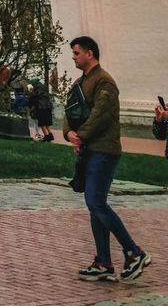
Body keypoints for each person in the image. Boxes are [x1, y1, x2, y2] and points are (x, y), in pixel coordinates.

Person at [64, 36, 151, 283]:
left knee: (96, 201)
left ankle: (135, 252)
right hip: (89, 150)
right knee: (95, 206)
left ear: (90, 54)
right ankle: (104, 262)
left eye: (76, 52)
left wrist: (80, 135)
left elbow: (100, 115)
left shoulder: (104, 82)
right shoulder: (79, 83)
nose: (73, 57)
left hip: (104, 150)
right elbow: (69, 111)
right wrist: (69, 132)